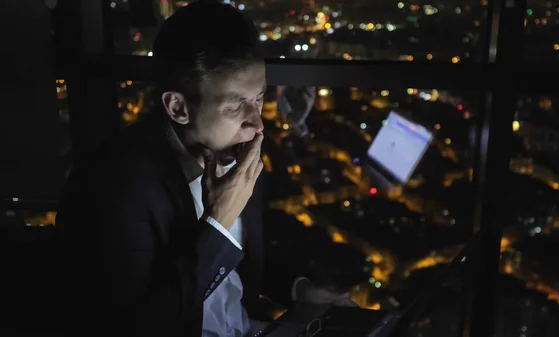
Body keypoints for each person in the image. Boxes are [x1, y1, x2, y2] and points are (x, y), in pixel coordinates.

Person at [56, 2, 351, 337]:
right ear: (178, 107)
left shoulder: (234, 151)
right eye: (236, 105)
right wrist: (218, 223)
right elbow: (137, 325)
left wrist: (297, 289)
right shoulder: (113, 188)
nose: (256, 123)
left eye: (259, 98)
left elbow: (244, 261)